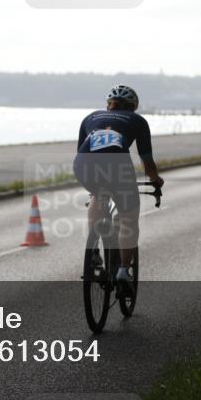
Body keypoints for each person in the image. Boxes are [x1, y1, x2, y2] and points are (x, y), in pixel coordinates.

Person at [73, 85, 163, 287]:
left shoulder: (90, 118)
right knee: (129, 218)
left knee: (98, 194)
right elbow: (146, 160)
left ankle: (93, 252)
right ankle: (123, 270)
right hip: (117, 166)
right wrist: (155, 179)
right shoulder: (138, 121)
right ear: (133, 106)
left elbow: (81, 150)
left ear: (108, 105)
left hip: (83, 164)